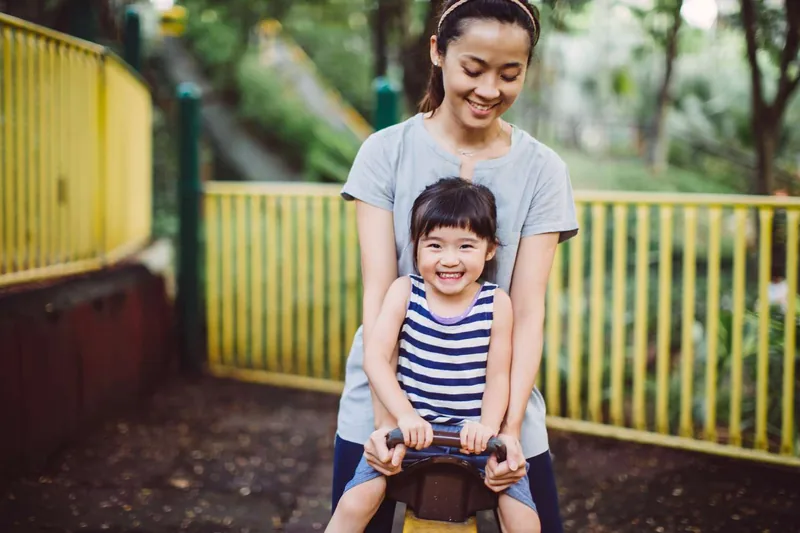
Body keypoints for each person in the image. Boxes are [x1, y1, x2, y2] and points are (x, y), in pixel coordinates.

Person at [331, 0, 579, 531]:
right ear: (438, 53)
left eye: (510, 74)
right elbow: (380, 292)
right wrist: (386, 427)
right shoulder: (384, 152)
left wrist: (507, 429)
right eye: (473, 69)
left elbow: (529, 311)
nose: (490, 90)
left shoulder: (543, 170)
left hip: (494, 399)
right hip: (387, 395)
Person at [326, 178, 540, 533]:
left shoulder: (495, 303)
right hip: (411, 434)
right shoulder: (405, 292)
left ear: (490, 250)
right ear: (417, 247)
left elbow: (497, 376)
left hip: (473, 437)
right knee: (355, 502)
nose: (449, 259)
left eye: (466, 246)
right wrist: (404, 417)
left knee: (523, 517)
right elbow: (376, 359)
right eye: (435, 245)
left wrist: (488, 429)